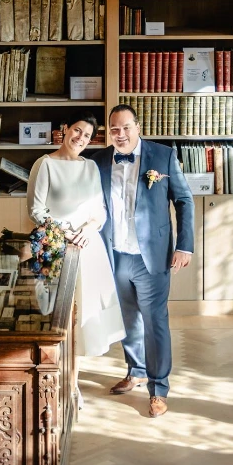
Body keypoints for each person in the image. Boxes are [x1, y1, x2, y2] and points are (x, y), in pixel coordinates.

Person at [95, 104, 194, 418]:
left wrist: (185, 246)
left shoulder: (162, 156)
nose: (120, 134)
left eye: (125, 127)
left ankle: (159, 387)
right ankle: (135, 370)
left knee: (155, 322)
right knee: (127, 320)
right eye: (114, 129)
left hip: (151, 257)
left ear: (138, 127)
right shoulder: (97, 162)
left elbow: (184, 200)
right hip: (115, 255)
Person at [27, 112, 125, 361]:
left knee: (83, 318)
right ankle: (52, 372)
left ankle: (73, 381)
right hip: (57, 246)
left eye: (88, 136)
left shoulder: (90, 167)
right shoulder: (45, 164)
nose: (81, 138)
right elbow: (36, 210)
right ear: (66, 129)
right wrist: (66, 232)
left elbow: (100, 211)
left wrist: (89, 229)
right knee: (59, 316)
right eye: (78, 130)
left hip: (88, 246)